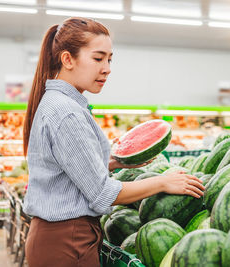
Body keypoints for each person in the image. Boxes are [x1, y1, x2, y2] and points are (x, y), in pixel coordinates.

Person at [23, 17, 205, 267]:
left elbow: (68, 173)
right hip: (67, 241)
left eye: (110, 59)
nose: (107, 68)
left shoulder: (61, 103)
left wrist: (113, 162)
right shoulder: (67, 112)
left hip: (59, 237)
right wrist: (163, 182)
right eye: (98, 58)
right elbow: (102, 195)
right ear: (67, 59)